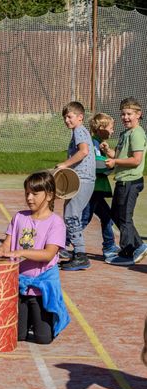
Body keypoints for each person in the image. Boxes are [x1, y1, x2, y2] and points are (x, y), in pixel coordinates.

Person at [0, 171, 69, 345]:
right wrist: (0, 251)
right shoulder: (19, 217)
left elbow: (48, 254)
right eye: (27, 193)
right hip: (18, 287)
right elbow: (7, 244)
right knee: (17, 336)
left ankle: (39, 319)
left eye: (34, 194)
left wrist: (20, 252)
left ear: (49, 196)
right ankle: (28, 319)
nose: (29, 198)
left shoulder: (56, 223)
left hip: (41, 289)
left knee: (43, 338)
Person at [101, 97, 147, 266]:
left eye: (129, 114)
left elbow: (136, 160)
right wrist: (108, 151)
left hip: (131, 181)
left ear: (138, 114)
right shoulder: (124, 134)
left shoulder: (137, 134)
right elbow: (118, 155)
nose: (125, 117)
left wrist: (115, 162)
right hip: (122, 181)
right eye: (123, 114)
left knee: (124, 217)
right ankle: (139, 245)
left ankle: (128, 253)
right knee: (116, 215)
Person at [56, 101, 95, 271]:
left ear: (80, 117)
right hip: (80, 179)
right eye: (65, 117)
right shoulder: (79, 131)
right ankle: (72, 251)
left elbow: (84, 151)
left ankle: (81, 255)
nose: (66, 120)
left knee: (72, 216)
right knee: (70, 214)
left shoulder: (79, 130)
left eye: (69, 116)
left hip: (82, 179)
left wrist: (65, 164)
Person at [83, 113, 119, 260]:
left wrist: (109, 155)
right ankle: (62, 243)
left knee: (107, 216)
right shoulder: (93, 143)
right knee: (84, 218)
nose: (112, 131)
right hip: (93, 187)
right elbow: (96, 164)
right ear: (101, 128)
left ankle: (109, 246)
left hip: (97, 188)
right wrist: (113, 164)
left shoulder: (100, 144)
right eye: (111, 128)